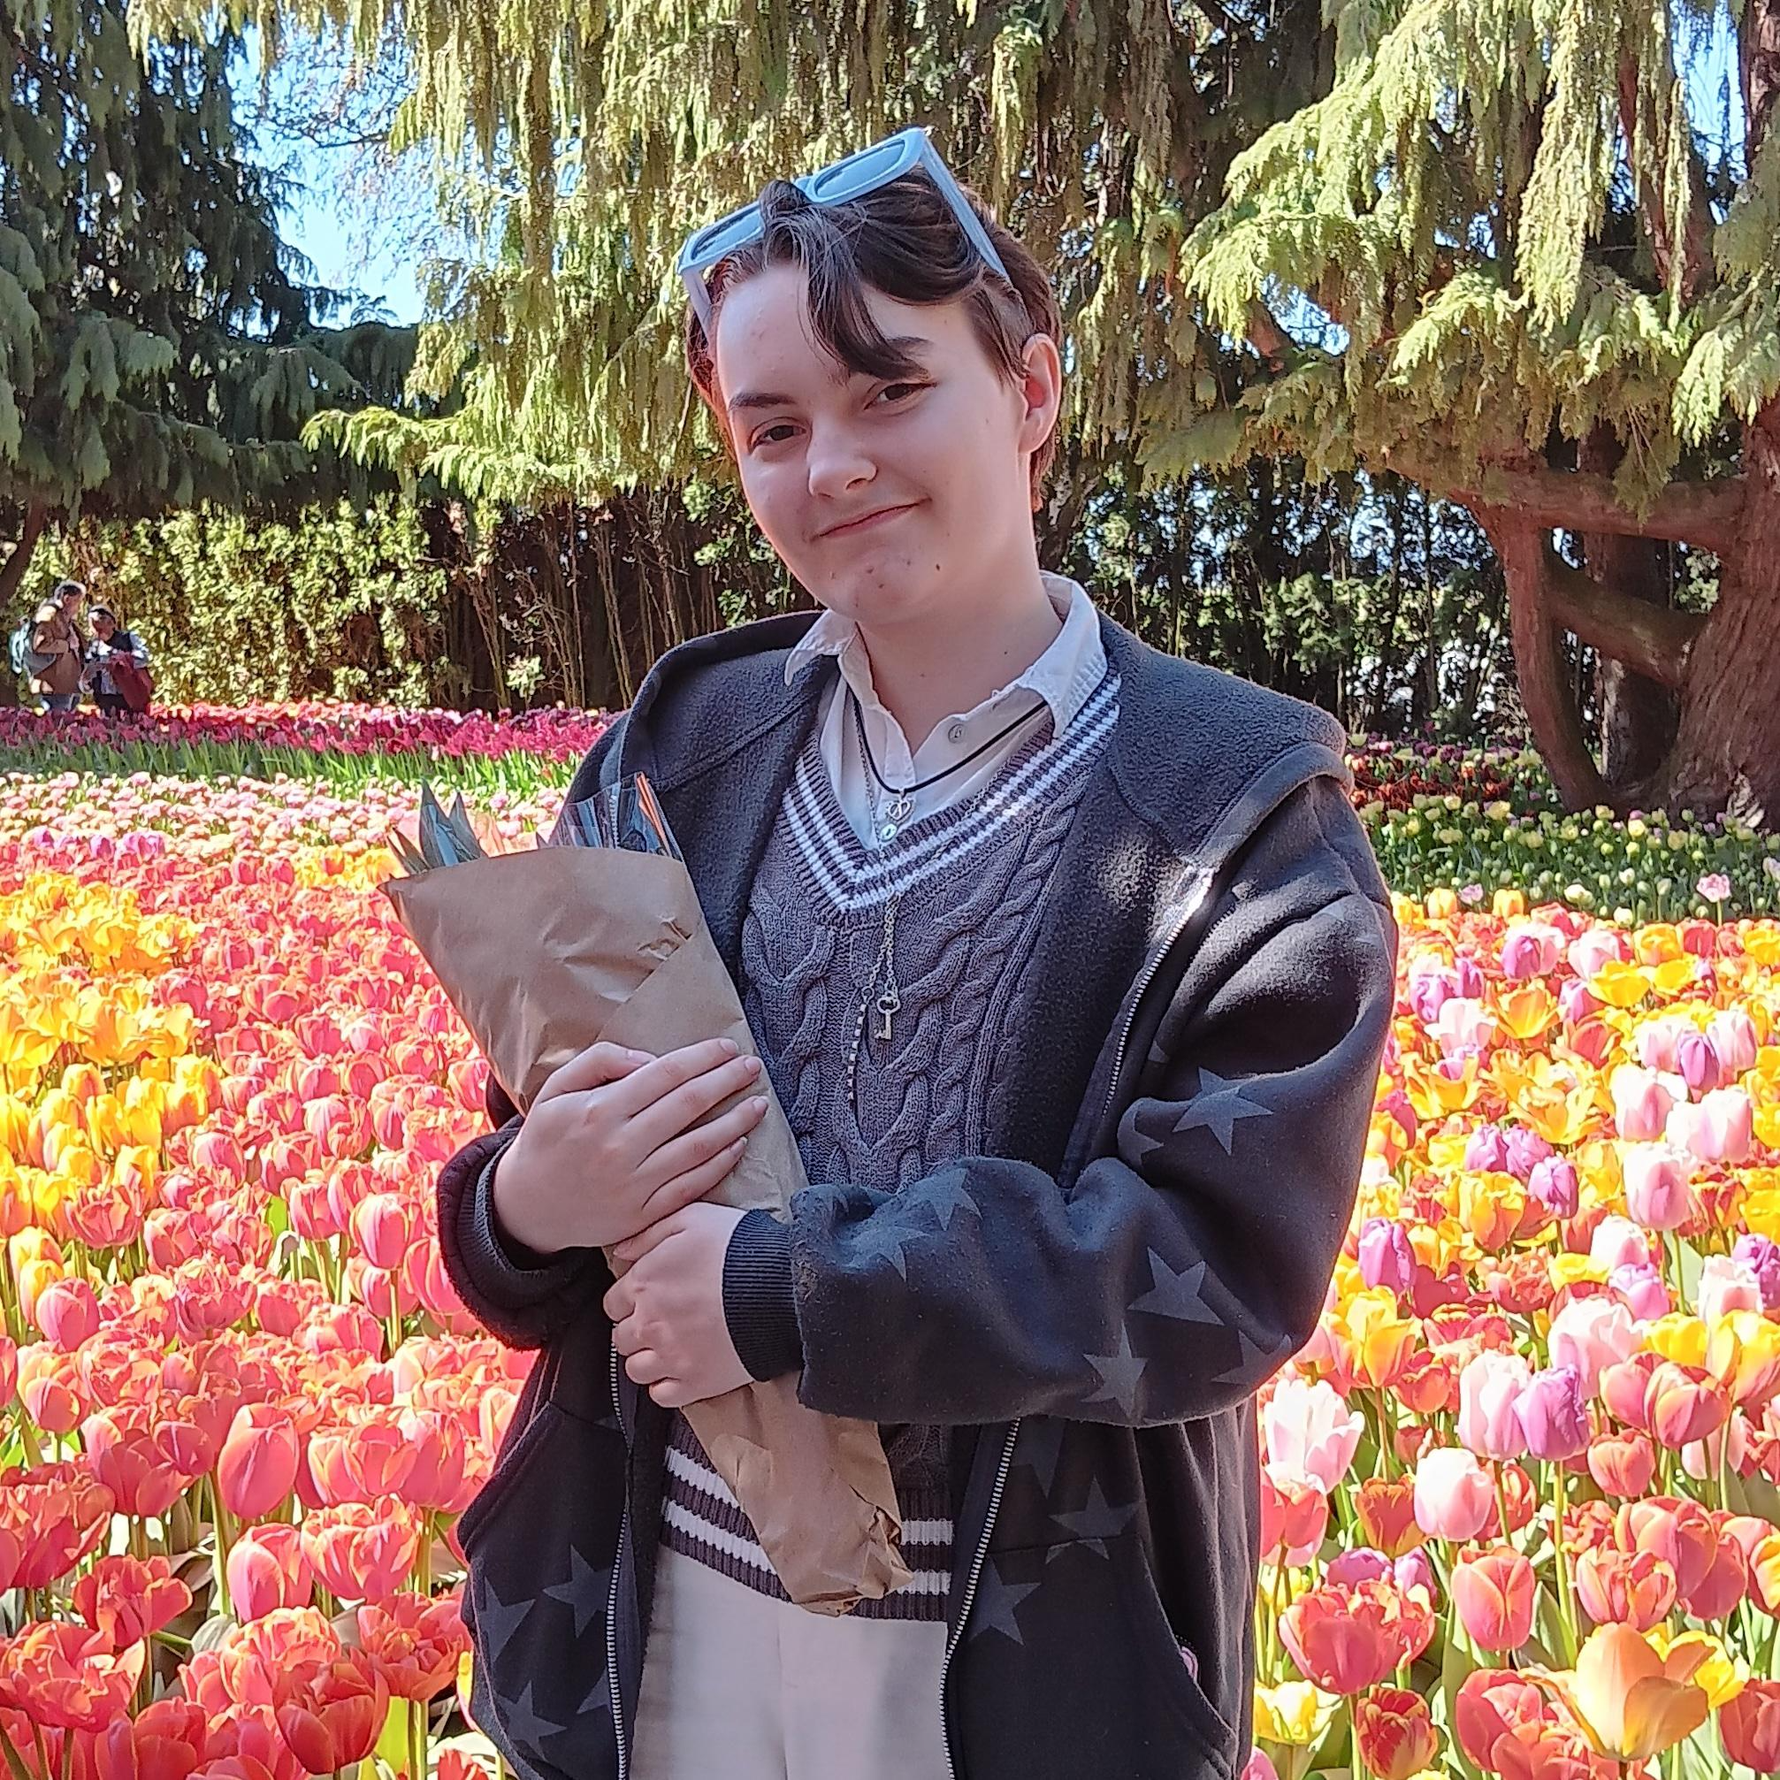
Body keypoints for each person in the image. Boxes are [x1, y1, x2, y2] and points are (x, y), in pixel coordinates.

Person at [434, 126, 1398, 1780]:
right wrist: (523, 1206)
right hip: (655, 1651)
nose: (833, 468)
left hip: (1018, 1686)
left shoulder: (1237, 822)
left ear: (1029, 390)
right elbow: (525, 1147)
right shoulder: (680, 757)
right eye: (776, 426)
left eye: (889, 392)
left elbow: (1216, 1271)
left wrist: (791, 1289)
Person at [26, 579, 87, 711]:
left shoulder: (65, 618)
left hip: (69, 685)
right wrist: (67, 645)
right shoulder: (49, 615)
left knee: (68, 726)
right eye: (78, 602)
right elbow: (40, 644)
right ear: (67, 599)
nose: (79, 608)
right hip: (55, 686)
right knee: (57, 725)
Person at [81, 604, 151, 715]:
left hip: (130, 696)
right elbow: (85, 681)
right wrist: (87, 676)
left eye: (102, 623)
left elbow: (144, 657)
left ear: (112, 623)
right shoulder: (93, 647)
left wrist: (121, 659)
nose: (98, 630)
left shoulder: (129, 638)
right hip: (104, 699)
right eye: (94, 627)